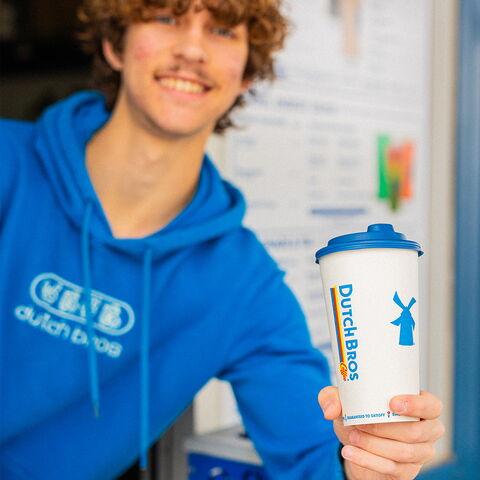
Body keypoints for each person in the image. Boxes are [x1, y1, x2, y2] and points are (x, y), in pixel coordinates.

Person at [0, 1, 444, 479]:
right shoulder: (8, 168)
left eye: (222, 31)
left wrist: (370, 462)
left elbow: (315, 458)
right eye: (167, 19)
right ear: (114, 45)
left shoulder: (242, 284)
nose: (192, 48)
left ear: (246, 75)